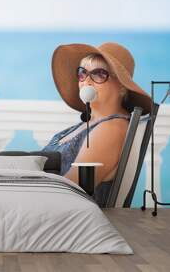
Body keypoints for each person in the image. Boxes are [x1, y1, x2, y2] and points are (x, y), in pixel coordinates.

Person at [43, 42, 152, 205]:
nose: (86, 81)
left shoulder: (111, 128)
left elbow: (71, 190)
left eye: (99, 74)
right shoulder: (93, 123)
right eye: (82, 73)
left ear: (122, 87)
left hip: (65, 218)